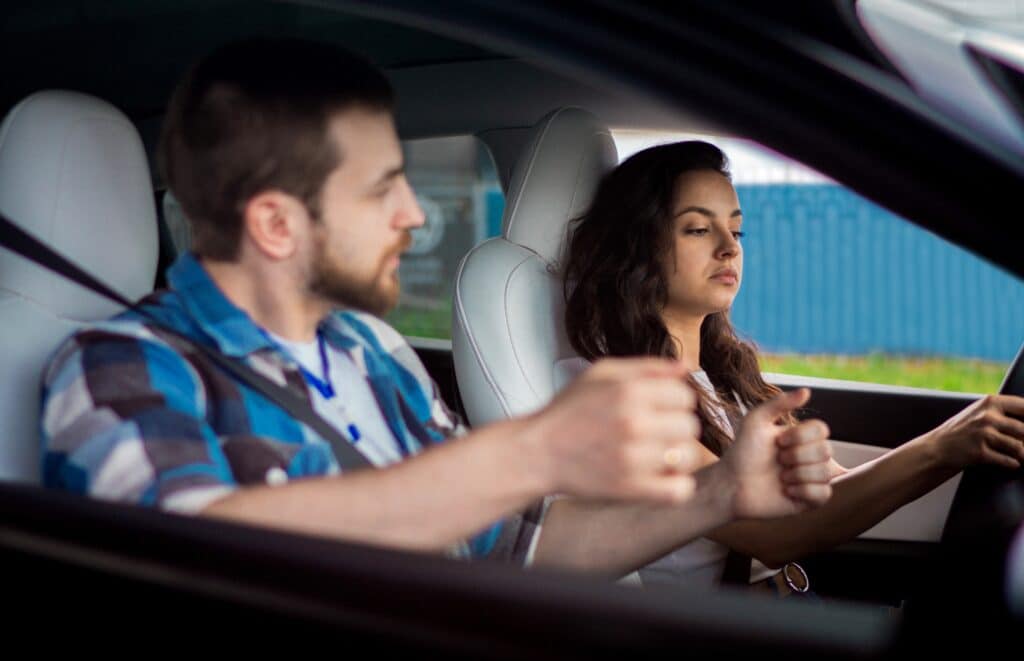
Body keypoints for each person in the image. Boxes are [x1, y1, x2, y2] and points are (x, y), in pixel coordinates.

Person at [39, 40, 834, 577]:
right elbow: (206, 556)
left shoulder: (374, 355)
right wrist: (531, 452)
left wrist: (719, 496)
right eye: (382, 186)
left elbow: (523, 546)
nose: (414, 214)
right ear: (277, 222)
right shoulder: (119, 366)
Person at [562, 140, 1024, 588]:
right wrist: (945, 445)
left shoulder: (724, 378)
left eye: (736, 229)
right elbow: (778, 535)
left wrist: (971, 445)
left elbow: (835, 489)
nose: (729, 248)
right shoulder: (621, 399)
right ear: (638, 247)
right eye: (699, 229)